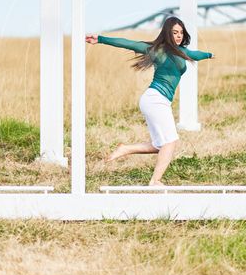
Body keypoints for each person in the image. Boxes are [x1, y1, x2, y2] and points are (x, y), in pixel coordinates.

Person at [85, 16, 214, 186]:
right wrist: (101, 39)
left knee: (161, 145)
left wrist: (209, 55)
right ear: (167, 33)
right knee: (170, 143)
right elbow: (127, 43)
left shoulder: (182, 52)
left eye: (181, 33)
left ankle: (126, 149)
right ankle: (155, 181)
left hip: (159, 101)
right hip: (155, 99)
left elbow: (195, 55)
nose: (178, 36)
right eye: (175, 32)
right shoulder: (155, 50)